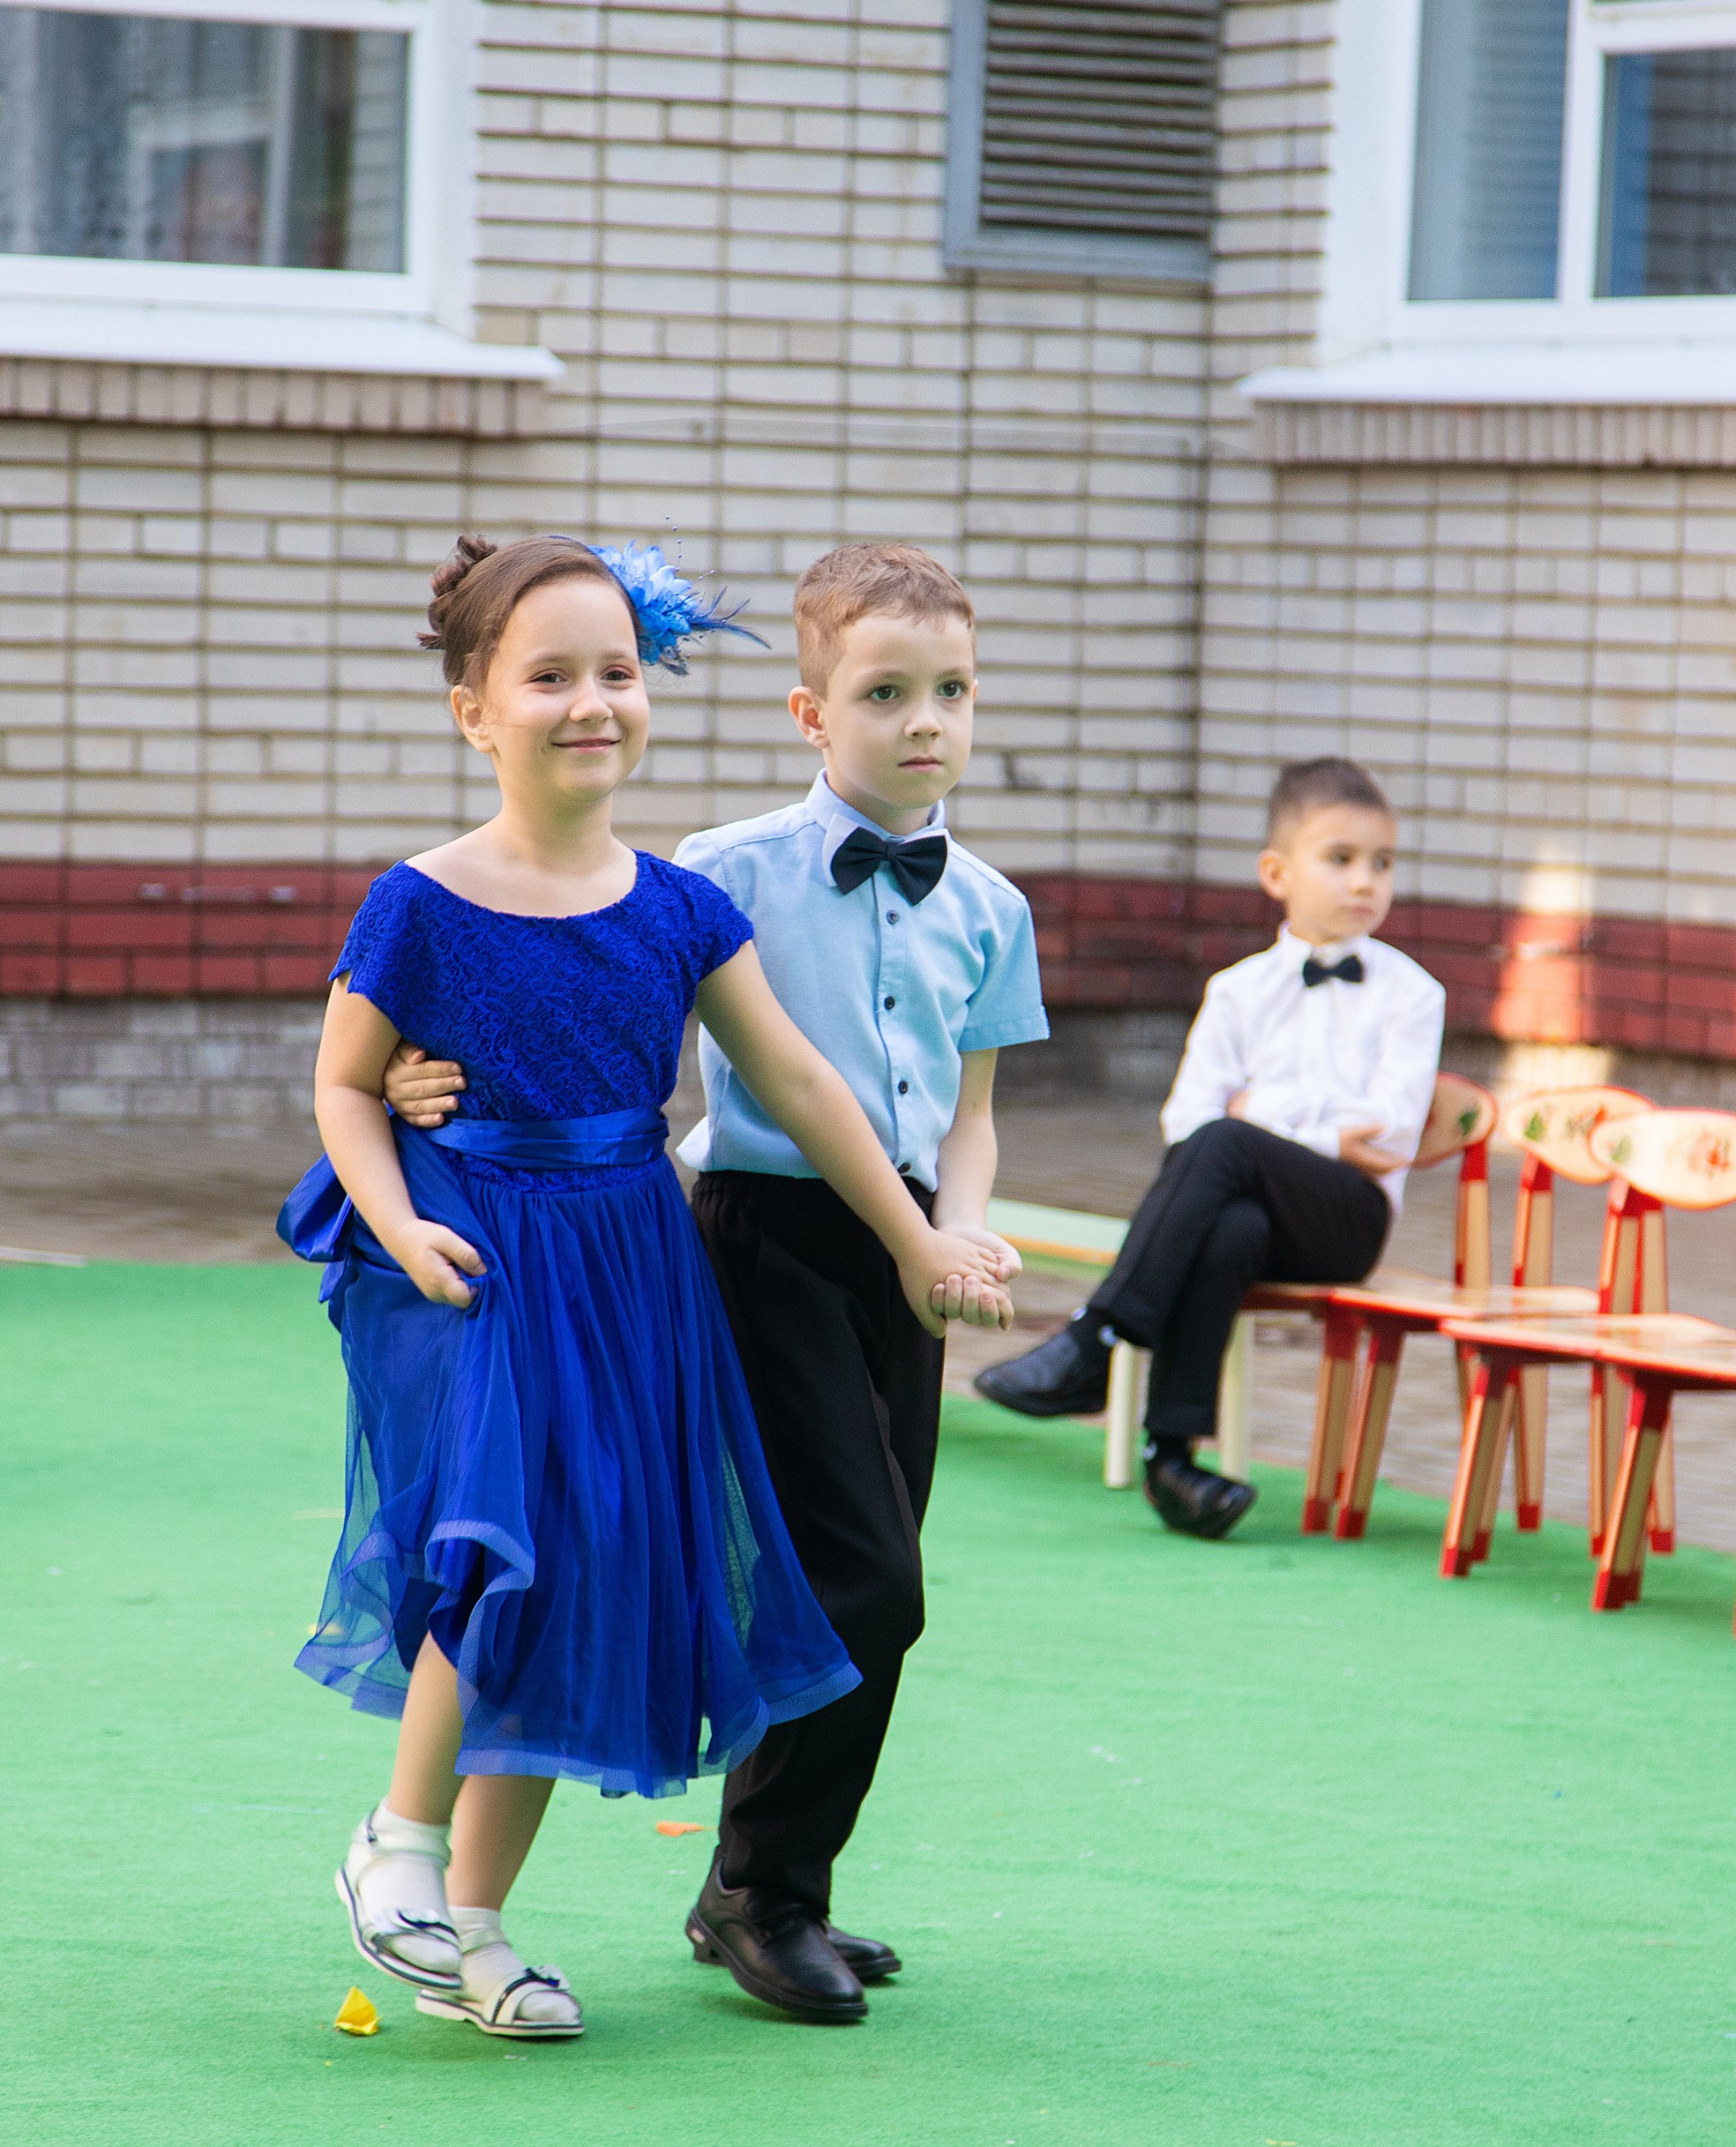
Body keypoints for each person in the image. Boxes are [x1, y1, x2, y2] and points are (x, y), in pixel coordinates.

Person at [284, 532, 1014, 2044]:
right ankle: (398, 1848)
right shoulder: (420, 901)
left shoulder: (678, 908)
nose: (591, 700)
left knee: (592, 1574)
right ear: (473, 710)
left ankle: (475, 1932)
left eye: (617, 669)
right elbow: (347, 1088)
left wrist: (921, 1233)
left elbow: (803, 1080)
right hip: (480, 1258)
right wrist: (401, 1218)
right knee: (506, 1546)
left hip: (633, 1262)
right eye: (548, 675)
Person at [974, 756, 1445, 1540]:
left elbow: (1389, 1135)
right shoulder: (1238, 990)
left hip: (1347, 1221)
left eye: (1383, 863)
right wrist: (1322, 1126)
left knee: (1229, 1140)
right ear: (1276, 873)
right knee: (1229, 1226)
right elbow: (1184, 1122)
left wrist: (1269, 1113)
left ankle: (1096, 1339)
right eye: (1341, 859)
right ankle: (1174, 1463)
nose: (1366, 881)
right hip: (1261, 1214)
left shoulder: (1411, 993)